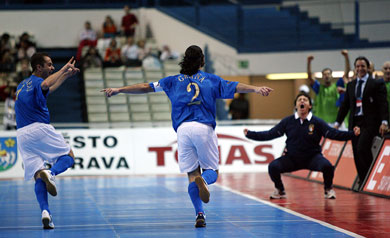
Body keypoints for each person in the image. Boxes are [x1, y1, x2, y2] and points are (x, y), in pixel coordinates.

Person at [102, 45, 273, 228]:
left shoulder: (172, 81)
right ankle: (205, 181)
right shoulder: (210, 80)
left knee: (192, 174)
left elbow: (145, 87)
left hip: (183, 130)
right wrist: (255, 89)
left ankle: (200, 214)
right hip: (203, 127)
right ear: (202, 61)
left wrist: (119, 89)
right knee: (211, 172)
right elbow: (235, 86)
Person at [244, 92, 360, 200]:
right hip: (292, 159)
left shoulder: (317, 122)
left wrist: (352, 134)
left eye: (305, 100)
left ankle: (328, 189)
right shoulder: (288, 121)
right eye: (299, 100)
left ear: (309, 106)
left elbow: (333, 133)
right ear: (296, 106)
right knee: (273, 167)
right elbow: (270, 134)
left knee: (328, 167)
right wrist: (250, 134)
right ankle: (280, 190)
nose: (302, 101)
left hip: (312, 158)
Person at [15, 53, 79, 229]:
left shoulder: (21, 85)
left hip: (22, 134)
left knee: (38, 175)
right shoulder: (38, 82)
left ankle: (46, 213)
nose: (52, 68)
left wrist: (65, 76)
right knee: (69, 155)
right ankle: (52, 173)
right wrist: (64, 68)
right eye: (49, 65)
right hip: (38, 128)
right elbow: (45, 84)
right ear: (38, 67)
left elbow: (48, 89)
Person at [335, 56, 389, 187]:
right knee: (356, 152)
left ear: (368, 68)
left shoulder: (376, 83)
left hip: (369, 123)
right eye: (358, 66)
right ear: (355, 68)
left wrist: (384, 122)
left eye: (363, 66)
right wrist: (337, 123)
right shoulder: (351, 85)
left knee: (362, 149)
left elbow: (383, 104)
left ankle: (368, 177)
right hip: (354, 123)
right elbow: (345, 106)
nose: (360, 68)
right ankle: (363, 179)